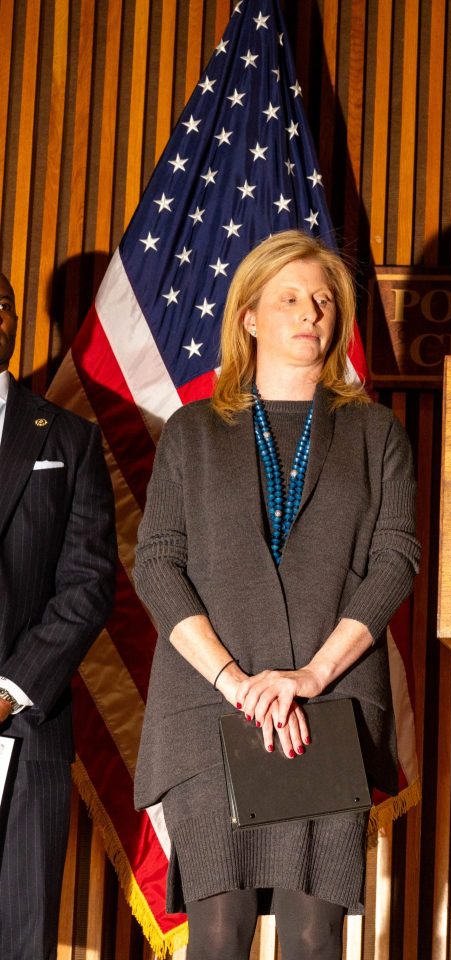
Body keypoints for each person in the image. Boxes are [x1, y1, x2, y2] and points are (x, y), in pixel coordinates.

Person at [132, 231, 420, 959]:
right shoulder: (192, 432)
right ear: (250, 317)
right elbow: (158, 565)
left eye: (323, 300)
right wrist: (238, 683)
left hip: (328, 707)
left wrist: (310, 676)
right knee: (218, 934)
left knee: (314, 938)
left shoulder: (375, 431)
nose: (310, 313)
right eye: (289, 298)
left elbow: (395, 562)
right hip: (209, 709)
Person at [0, 271, 117, 959]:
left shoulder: (68, 439)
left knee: (21, 937)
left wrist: (10, 691)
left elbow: (88, 583)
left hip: (25, 727)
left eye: (3, 304)